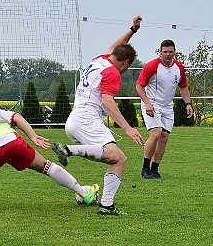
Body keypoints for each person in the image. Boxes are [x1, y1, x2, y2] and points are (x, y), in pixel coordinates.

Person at [52, 15, 145, 216]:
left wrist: (133, 29)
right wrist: (128, 129)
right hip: (87, 119)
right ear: (126, 63)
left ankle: (106, 205)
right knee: (117, 157)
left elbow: (116, 46)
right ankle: (69, 150)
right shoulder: (112, 73)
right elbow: (107, 102)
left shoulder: (99, 60)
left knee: (118, 158)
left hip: (75, 119)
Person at [136, 39, 193, 179]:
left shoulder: (179, 68)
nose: (168, 54)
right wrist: (147, 103)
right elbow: (139, 86)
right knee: (155, 134)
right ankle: (145, 169)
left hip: (167, 106)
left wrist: (188, 104)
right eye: (165, 51)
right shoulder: (151, 66)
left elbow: (183, 87)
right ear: (160, 52)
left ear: (175, 52)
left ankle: (155, 169)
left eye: (170, 52)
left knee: (164, 137)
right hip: (152, 105)